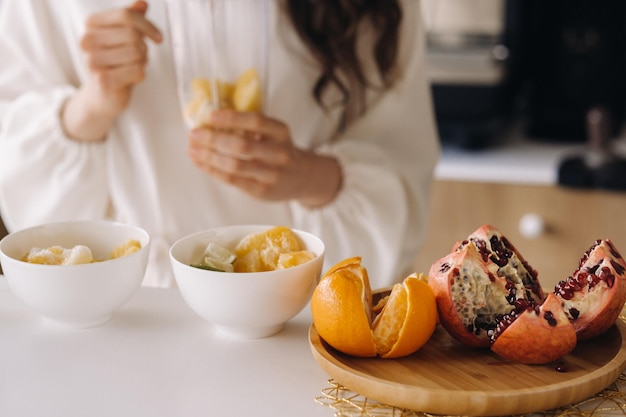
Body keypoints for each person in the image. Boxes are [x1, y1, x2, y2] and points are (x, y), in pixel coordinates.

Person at [0, 0, 439, 288]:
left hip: (292, 320)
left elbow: (404, 156)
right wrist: (90, 106)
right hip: (125, 316)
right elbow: (22, 193)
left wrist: (307, 176)